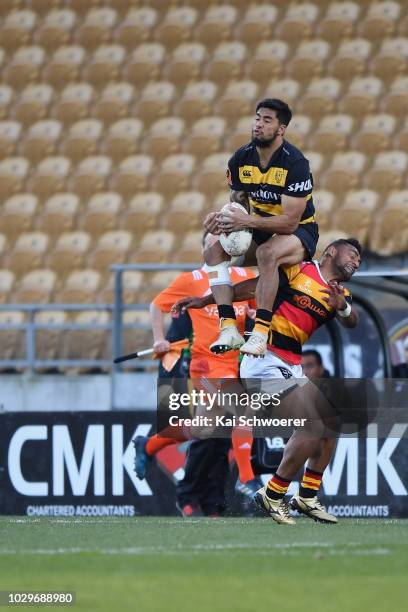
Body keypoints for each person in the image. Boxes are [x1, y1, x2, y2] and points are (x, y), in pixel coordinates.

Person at [173, 238, 361, 524]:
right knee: (311, 427)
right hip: (265, 359)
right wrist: (204, 300)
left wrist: (342, 308)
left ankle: (307, 496)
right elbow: (251, 288)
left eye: (360, 260)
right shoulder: (299, 269)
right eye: (353, 254)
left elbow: (352, 321)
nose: (357, 261)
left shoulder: (339, 292)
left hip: (290, 364)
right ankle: (273, 494)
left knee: (331, 424)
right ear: (332, 251)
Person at [134, 232, 257, 516]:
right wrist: (158, 339)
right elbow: (156, 306)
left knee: (203, 430)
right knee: (243, 412)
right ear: (204, 247)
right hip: (206, 364)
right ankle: (249, 480)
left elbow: (254, 309)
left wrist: (253, 315)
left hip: (235, 364)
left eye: (221, 239)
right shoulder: (191, 280)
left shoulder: (243, 276)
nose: (215, 244)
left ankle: (149, 445)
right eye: (210, 240)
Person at [203, 98, 318, 357]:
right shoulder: (241, 158)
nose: (259, 124)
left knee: (267, 253)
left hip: (301, 232)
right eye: (257, 118)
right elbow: (238, 203)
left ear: (281, 129)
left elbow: (290, 222)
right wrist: (221, 220)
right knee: (212, 249)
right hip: (261, 225)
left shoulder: (295, 163)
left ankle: (259, 333)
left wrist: (246, 221)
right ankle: (229, 327)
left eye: (267, 120)